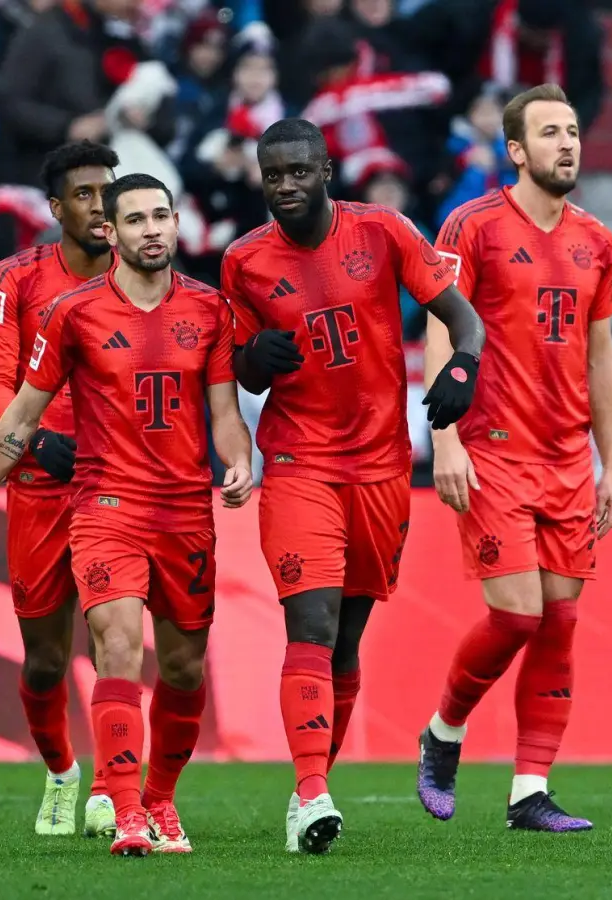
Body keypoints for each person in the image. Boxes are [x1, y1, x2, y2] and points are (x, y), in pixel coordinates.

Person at [0, 173, 255, 857]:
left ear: (176, 225)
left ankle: (161, 799)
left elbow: (226, 414)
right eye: (135, 219)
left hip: (184, 512)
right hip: (105, 505)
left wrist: (240, 461)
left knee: (183, 671)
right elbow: (19, 419)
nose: (151, 230)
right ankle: (125, 811)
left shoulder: (211, 310)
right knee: (116, 646)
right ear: (110, 232)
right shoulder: (73, 313)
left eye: (161, 217)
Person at [221, 118, 486, 855]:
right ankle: (311, 793)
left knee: (345, 646)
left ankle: (312, 789)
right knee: (311, 625)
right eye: (273, 175)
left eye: (298, 171)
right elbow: (237, 365)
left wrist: (462, 368)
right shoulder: (243, 260)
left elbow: (462, 318)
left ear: (327, 170)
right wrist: (255, 359)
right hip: (299, 461)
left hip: (381, 465)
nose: (285, 186)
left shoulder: (384, 231)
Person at [415, 84, 612, 832]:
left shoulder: (595, 238)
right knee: (516, 616)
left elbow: (601, 356)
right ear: (516, 150)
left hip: (568, 458)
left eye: (572, 131)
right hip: (494, 449)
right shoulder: (471, 226)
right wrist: (443, 439)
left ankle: (529, 791)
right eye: (550, 133)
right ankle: (443, 731)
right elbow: (443, 328)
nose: (567, 144)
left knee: (560, 622)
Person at [0, 140, 120, 839]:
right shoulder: (13, 278)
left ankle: (116, 788)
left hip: (116, 487)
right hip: (36, 484)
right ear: (56, 207)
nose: (101, 206)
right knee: (46, 661)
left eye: (107, 192)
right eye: (85, 195)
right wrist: (33, 439)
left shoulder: (143, 271)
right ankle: (62, 772)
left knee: (113, 640)